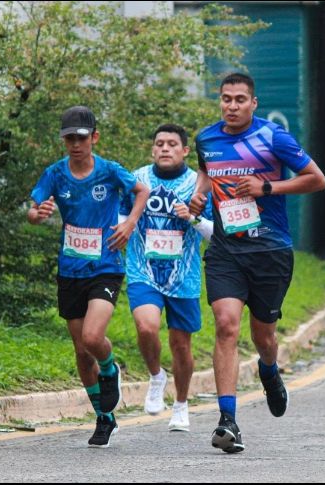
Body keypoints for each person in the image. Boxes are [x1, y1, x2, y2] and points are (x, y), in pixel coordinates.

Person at [190, 72, 325, 453]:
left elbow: (317, 179)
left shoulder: (273, 137)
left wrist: (268, 187)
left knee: (263, 336)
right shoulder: (206, 138)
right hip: (225, 249)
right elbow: (206, 172)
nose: (231, 106)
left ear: (254, 103)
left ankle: (269, 370)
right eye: (225, 99)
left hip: (269, 250)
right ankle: (227, 420)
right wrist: (199, 196)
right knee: (226, 325)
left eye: (239, 100)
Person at [27, 106, 149, 448]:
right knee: (81, 351)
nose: (75, 144)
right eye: (69, 138)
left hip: (106, 265)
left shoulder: (110, 171)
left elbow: (142, 191)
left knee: (94, 338)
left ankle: (111, 370)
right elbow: (33, 210)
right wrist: (38, 214)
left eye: (81, 137)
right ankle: (104, 417)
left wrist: (129, 223)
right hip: (71, 269)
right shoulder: (55, 173)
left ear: (94, 138)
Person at [122, 124, 214, 432]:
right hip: (142, 271)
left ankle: (181, 404)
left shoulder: (197, 185)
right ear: (152, 149)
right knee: (146, 327)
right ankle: (156, 376)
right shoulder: (137, 180)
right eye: (159, 143)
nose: (165, 148)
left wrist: (191, 216)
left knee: (180, 345)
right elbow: (121, 221)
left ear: (184, 150)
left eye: (172, 144)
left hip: (183, 276)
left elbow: (215, 234)